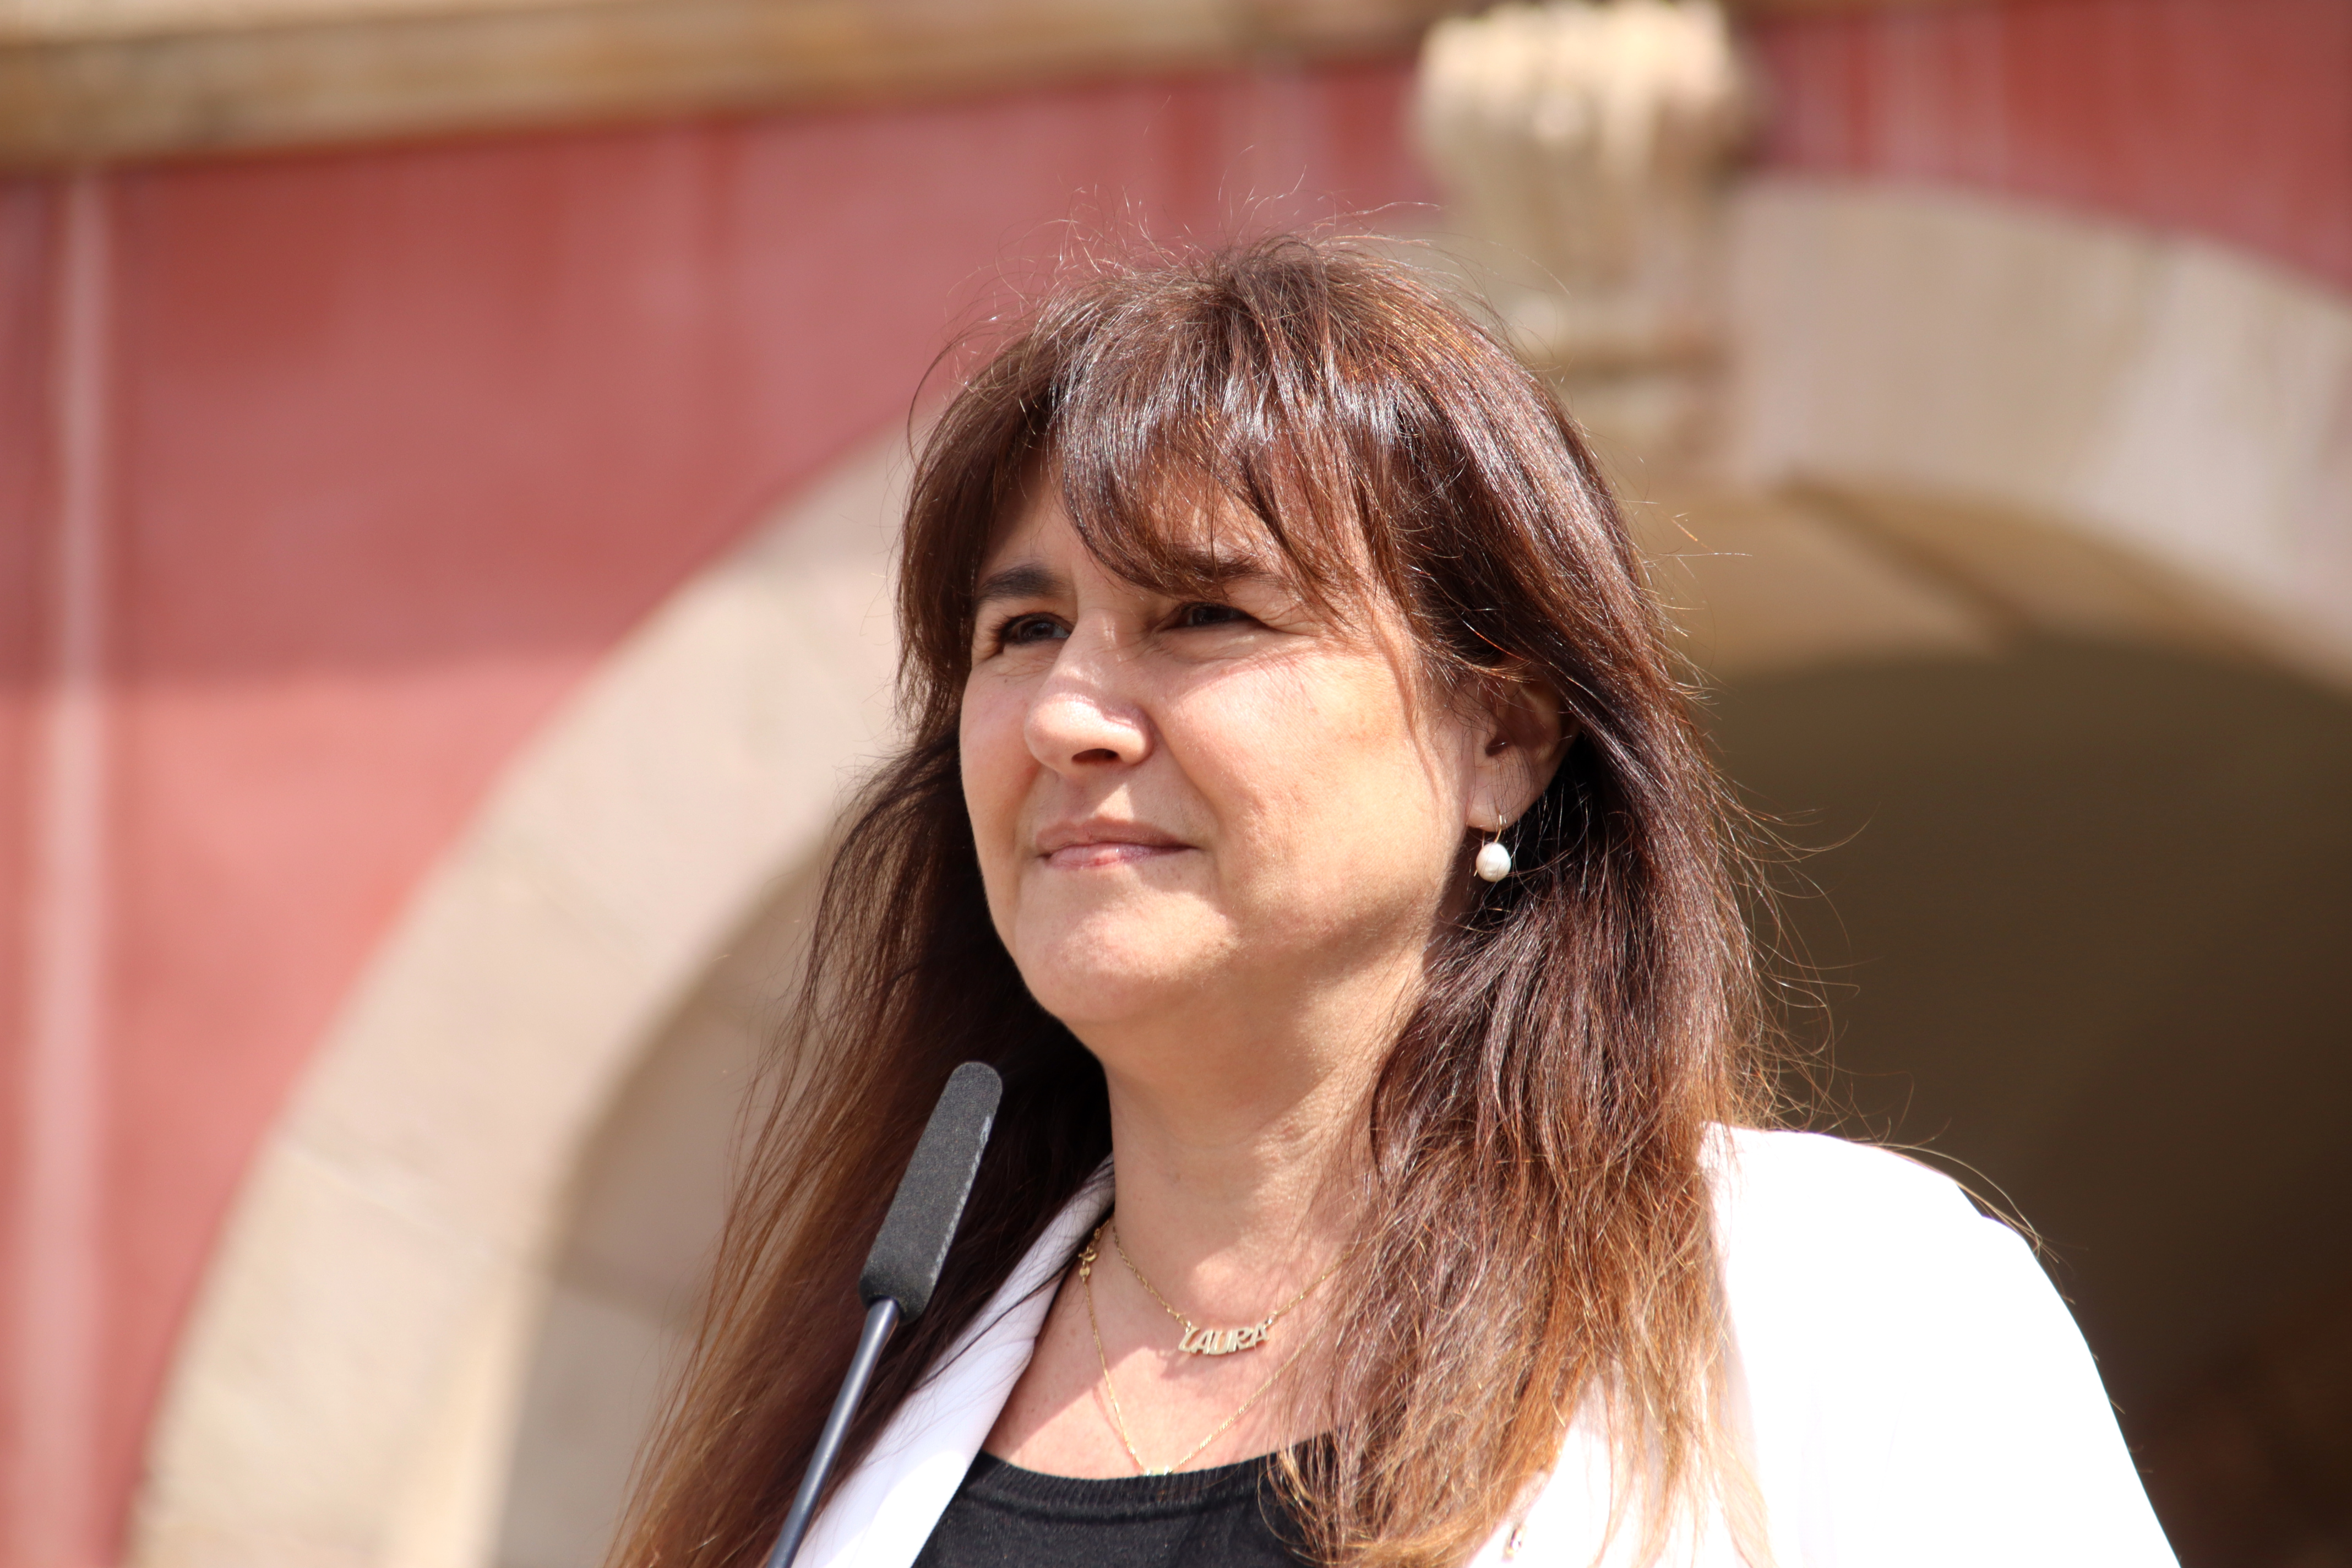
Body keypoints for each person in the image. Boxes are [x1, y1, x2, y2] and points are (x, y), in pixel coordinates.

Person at [609, 237, 2176, 1568]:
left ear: (1500, 736)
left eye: (1205, 613)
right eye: (1020, 631)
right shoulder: (850, 1406)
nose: (1069, 712)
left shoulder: (1848, 1304)